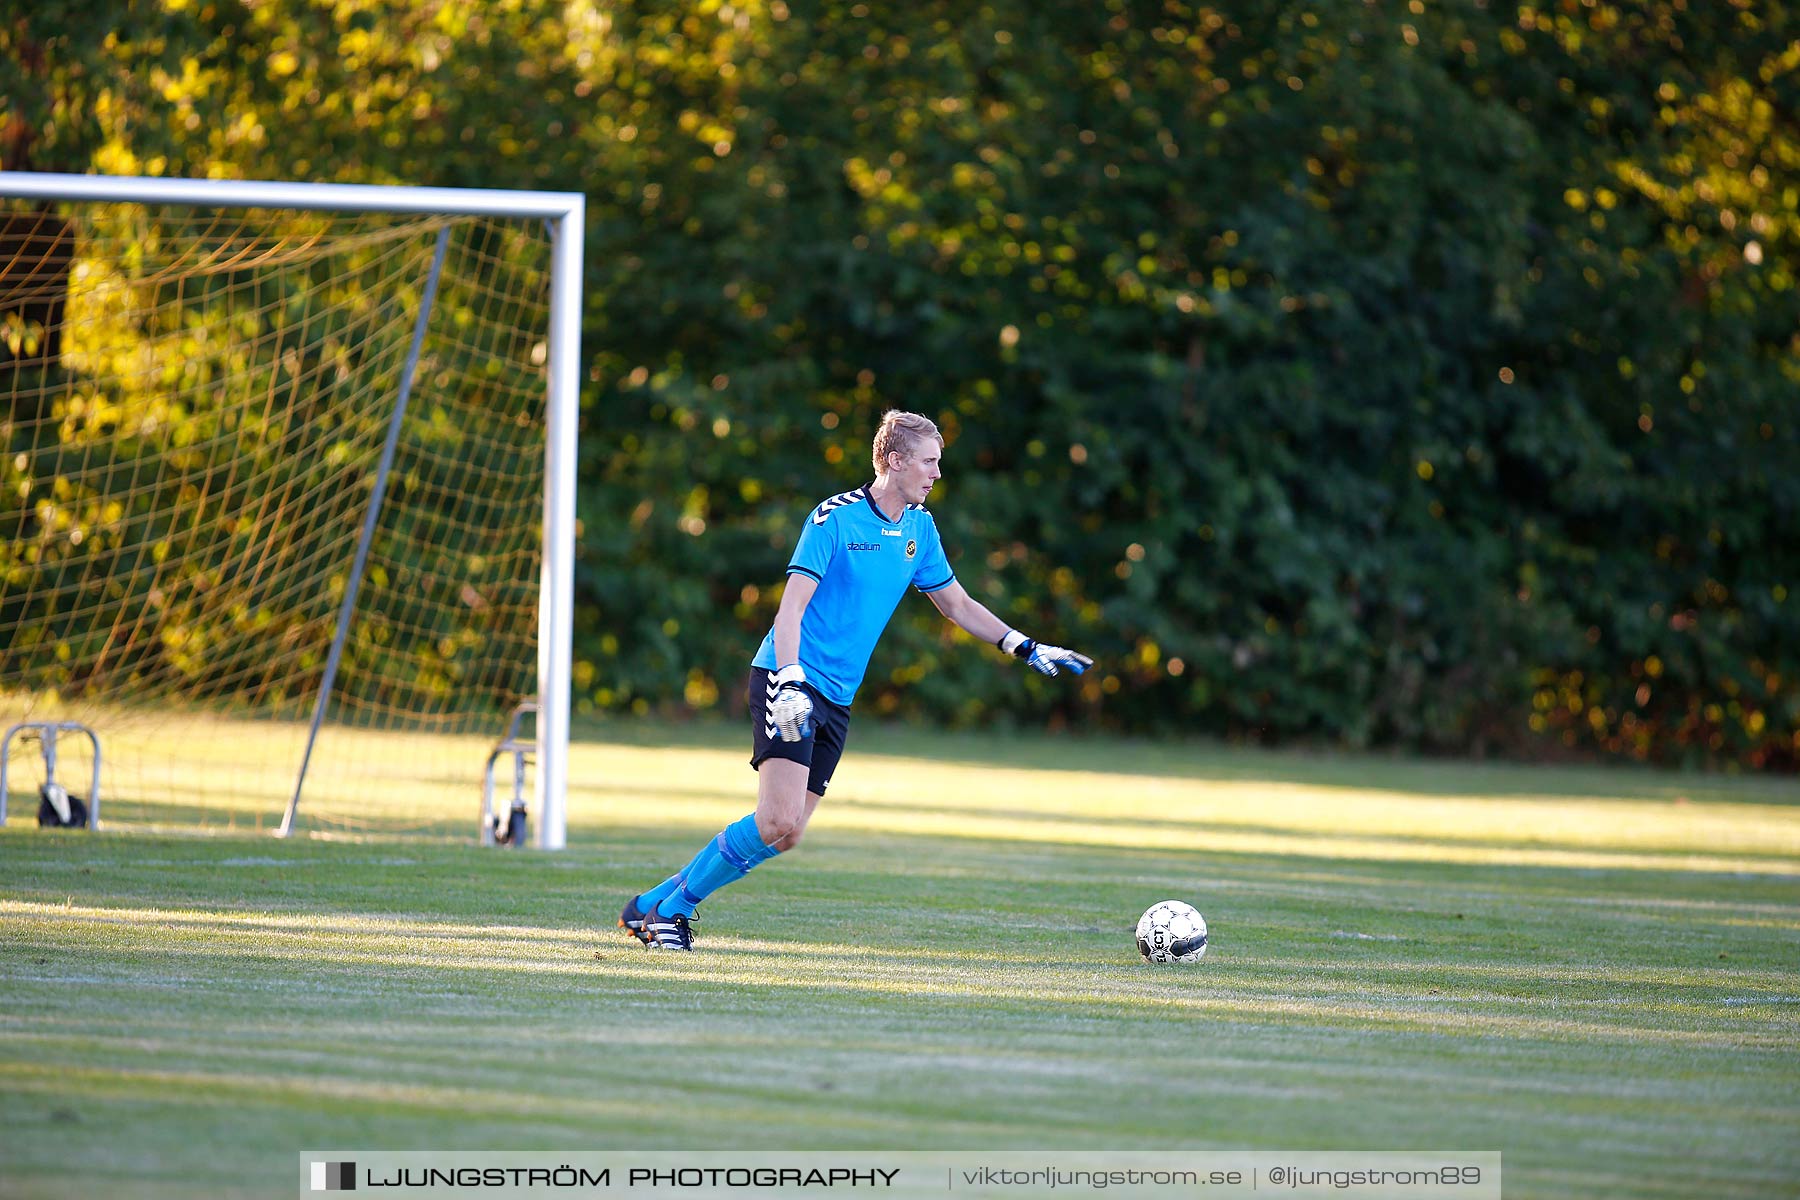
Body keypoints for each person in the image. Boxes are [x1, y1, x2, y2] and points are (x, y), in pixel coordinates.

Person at [618, 410, 1092, 950]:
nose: (938, 474)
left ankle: (651, 904)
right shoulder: (834, 519)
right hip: (789, 676)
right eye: (930, 462)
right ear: (895, 460)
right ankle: (670, 914)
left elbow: (956, 603)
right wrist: (791, 679)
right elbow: (790, 609)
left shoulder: (919, 526)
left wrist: (1023, 645)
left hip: (838, 696)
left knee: (788, 833)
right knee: (776, 817)